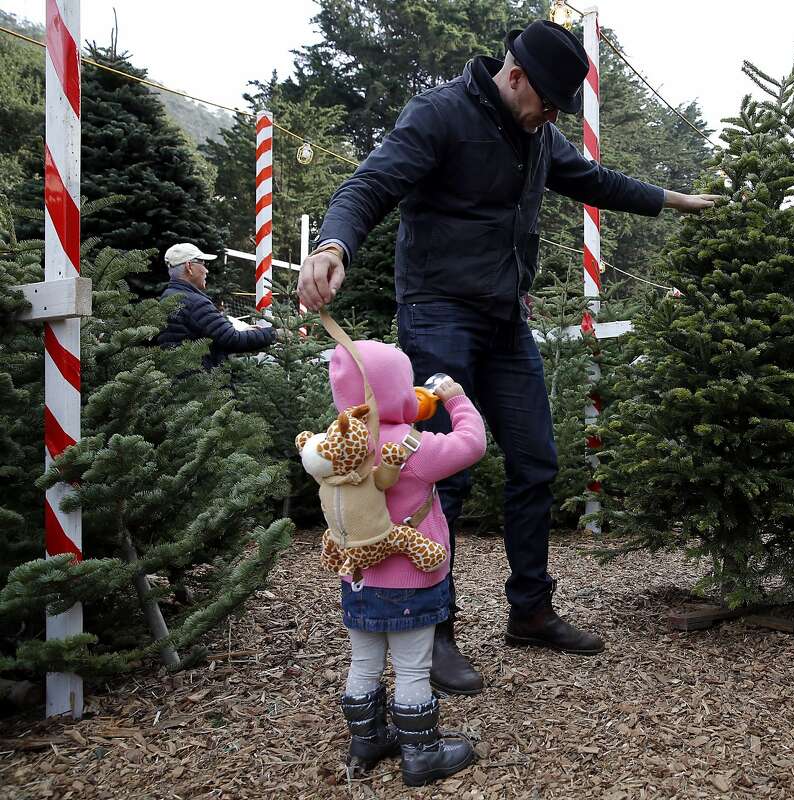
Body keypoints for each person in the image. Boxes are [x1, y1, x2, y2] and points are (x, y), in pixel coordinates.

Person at [298, 19, 720, 695]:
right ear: (515, 75)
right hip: (438, 311)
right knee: (442, 474)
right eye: (545, 103)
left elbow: (595, 180)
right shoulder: (439, 115)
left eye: (557, 111)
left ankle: (530, 610)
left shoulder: (538, 135)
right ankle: (430, 629)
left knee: (536, 460)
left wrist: (674, 200)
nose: (549, 119)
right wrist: (332, 246)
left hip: (504, 320)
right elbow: (369, 185)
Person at [325, 339, 486, 785]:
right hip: (411, 578)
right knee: (413, 667)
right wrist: (454, 397)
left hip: (356, 574)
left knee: (363, 663)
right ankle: (421, 753)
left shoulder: (336, 444)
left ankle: (367, 739)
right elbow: (472, 444)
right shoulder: (412, 447)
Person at [157, 243, 279, 368]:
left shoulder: (167, 296)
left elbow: (209, 337)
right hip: (202, 382)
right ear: (189, 266)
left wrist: (240, 331)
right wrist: (275, 333)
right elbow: (233, 340)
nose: (206, 270)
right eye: (203, 263)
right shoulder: (195, 302)